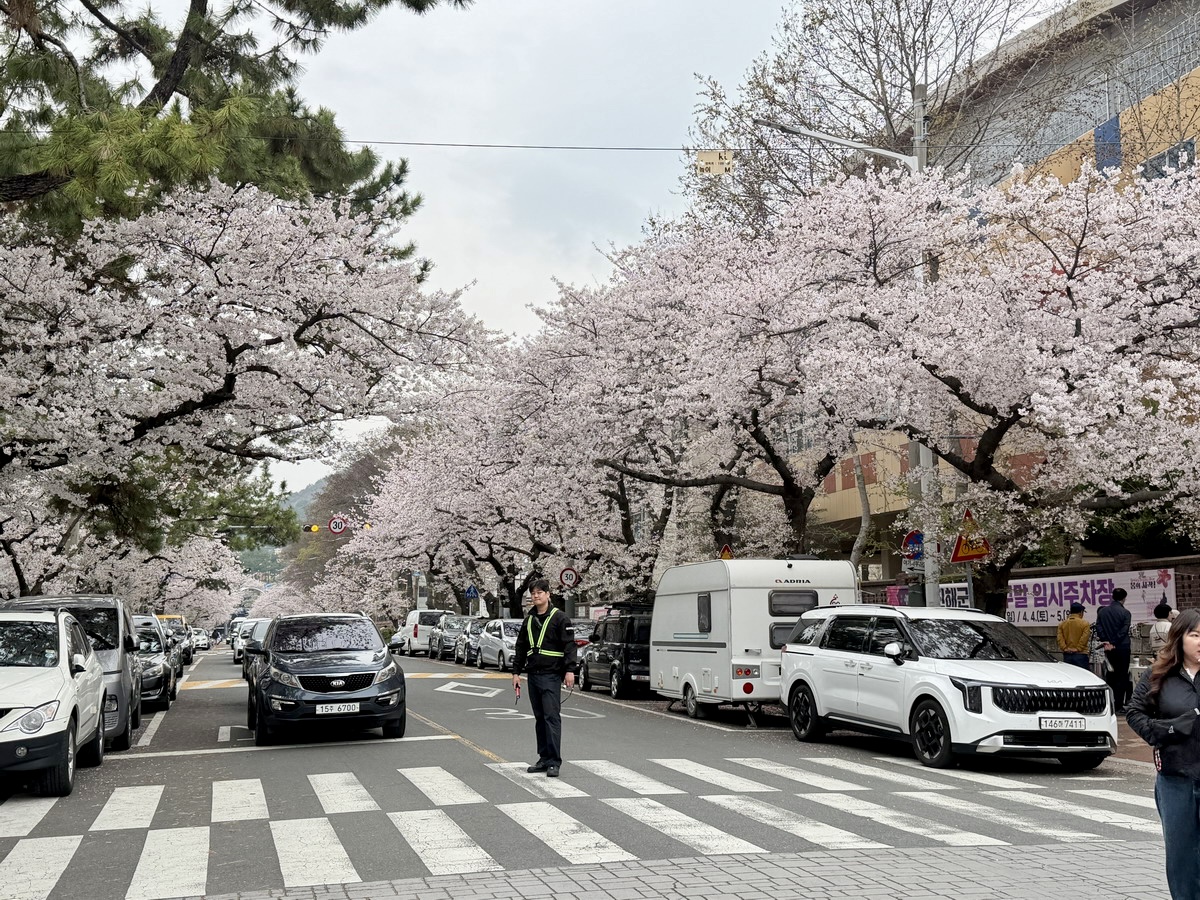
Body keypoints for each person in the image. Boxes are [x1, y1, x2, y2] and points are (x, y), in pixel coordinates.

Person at [1126, 609, 1200, 900]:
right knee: (1181, 856)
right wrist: (1166, 730)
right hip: (1175, 779)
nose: (1199, 642)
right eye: (1194, 635)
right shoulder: (1159, 674)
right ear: (1179, 638)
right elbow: (1134, 712)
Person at [512, 579, 578, 778]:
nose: (535, 596)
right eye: (533, 593)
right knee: (540, 718)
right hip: (533, 675)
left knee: (551, 718)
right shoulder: (529, 620)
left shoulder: (560, 618)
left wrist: (569, 671)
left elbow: (569, 646)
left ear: (548, 594)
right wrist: (516, 673)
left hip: (551, 675)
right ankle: (543, 757)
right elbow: (521, 647)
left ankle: (554, 761)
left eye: (540, 592)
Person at [1097, 587, 1133, 712]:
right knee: (1122, 675)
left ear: (1112, 596)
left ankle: (1109, 702)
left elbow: (1099, 627)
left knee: (1111, 674)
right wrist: (1114, 642)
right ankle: (1118, 704)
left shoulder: (1103, 612)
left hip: (1108, 647)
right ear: (1124, 598)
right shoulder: (1125, 613)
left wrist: (1106, 641)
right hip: (1122, 647)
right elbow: (1124, 630)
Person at [1056, 602, 1091, 668]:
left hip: (1067, 654)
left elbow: (1060, 638)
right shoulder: (1085, 623)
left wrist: (1065, 648)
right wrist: (1078, 648)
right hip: (1081, 654)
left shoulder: (1062, 624)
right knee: (1082, 675)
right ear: (1081, 612)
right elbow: (1084, 638)